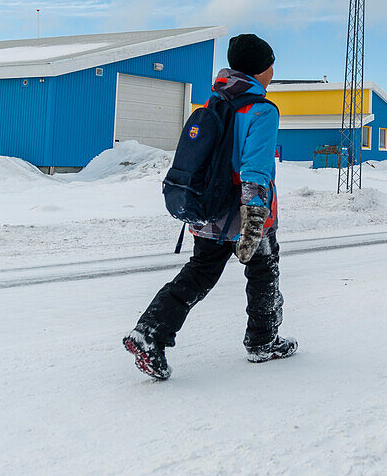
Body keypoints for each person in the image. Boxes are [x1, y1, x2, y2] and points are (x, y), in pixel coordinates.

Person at [123, 34, 295, 380]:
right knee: (264, 274)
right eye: (270, 64)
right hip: (245, 213)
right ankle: (263, 341)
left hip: (209, 210)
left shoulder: (215, 101)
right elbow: (256, 169)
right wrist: (254, 219)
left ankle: (151, 331)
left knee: (198, 273)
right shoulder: (260, 110)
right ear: (262, 69)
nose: (273, 71)